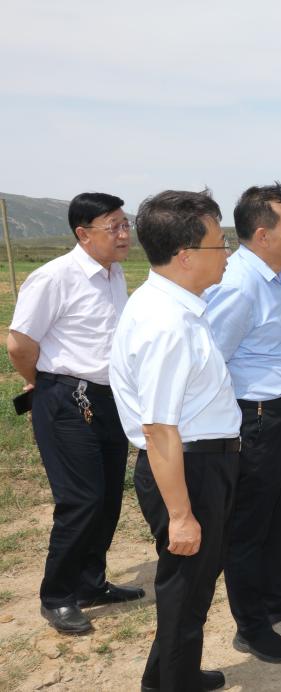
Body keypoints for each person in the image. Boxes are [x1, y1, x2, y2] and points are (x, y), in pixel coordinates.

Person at [109, 189, 240, 692]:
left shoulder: (176, 308)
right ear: (186, 255)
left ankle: (167, 676)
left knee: (192, 587)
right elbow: (159, 427)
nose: (227, 252)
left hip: (199, 464)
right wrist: (182, 515)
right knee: (186, 590)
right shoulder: (166, 323)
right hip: (186, 469)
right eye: (219, 242)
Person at [7, 192, 143, 635]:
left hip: (109, 398)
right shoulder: (54, 277)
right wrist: (43, 382)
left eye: (125, 224)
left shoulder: (114, 275)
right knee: (81, 499)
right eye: (113, 227)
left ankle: (90, 583)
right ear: (83, 234)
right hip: (67, 399)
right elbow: (19, 343)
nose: (124, 234)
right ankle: (57, 596)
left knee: (108, 498)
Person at [204, 183, 281, 663]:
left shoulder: (277, 273)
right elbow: (213, 356)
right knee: (250, 523)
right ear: (262, 234)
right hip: (258, 417)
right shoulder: (239, 283)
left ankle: (276, 597)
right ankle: (251, 625)